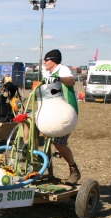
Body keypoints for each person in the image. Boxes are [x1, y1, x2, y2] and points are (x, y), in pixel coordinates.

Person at [41, 49, 81, 185]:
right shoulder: (46, 73)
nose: (44, 62)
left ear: (54, 61)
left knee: (59, 142)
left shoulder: (62, 70)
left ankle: (74, 169)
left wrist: (58, 79)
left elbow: (71, 81)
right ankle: (45, 170)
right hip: (51, 111)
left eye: (47, 60)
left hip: (66, 112)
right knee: (39, 133)